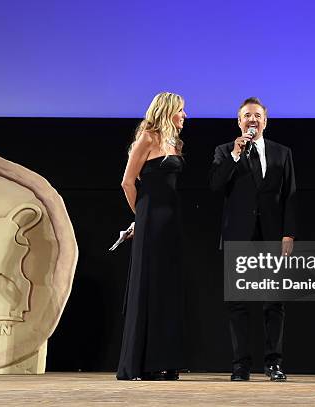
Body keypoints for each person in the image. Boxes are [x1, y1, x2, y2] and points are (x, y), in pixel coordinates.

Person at [210, 97, 297, 381]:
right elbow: (215, 185)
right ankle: (241, 365)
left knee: (274, 302)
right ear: (239, 122)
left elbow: (290, 196)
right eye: (247, 115)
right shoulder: (225, 151)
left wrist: (288, 233)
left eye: (257, 115)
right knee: (238, 303)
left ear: (265, 121)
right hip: (239, 237)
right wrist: (235, 155)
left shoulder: (282, 152)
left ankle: (274, 363)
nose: (252, 120)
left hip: (273, 237)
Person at [116, 92, 187, 381]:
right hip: (150, 216)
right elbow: (127, 181)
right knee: (147, 283)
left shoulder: (175, 142)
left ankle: (163, 361)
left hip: (171, 219)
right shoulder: (148, 137)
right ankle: (138, 363)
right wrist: (140, 216)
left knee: (166, 288)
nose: (185, 116)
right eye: (181, 111)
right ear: (168, 111)